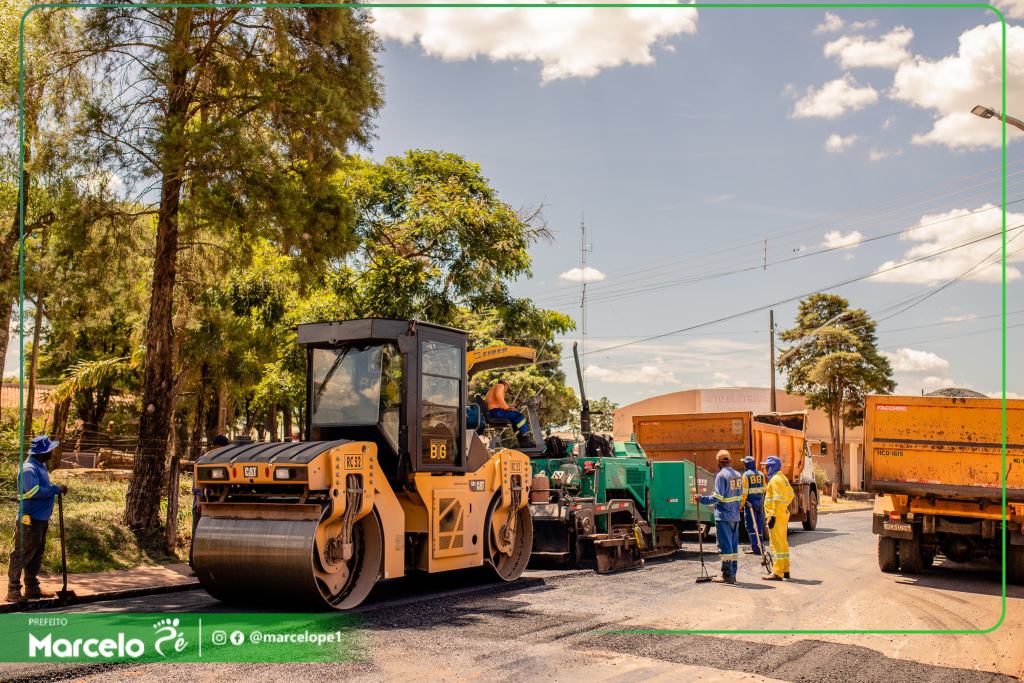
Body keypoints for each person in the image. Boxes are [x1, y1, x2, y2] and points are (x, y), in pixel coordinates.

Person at [7, 435, 68, 602]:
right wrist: (55, 489)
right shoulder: (29, 469)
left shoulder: (40, 466)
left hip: (40, 518)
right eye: (50, 449)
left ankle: (32, 588)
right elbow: (33, 491)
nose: (52, 452)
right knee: (22, 554)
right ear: (42, 452)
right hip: (29, 519)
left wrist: (54, 489)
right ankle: (13, 591)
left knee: (36, 554)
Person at [694, 449, 744, 584]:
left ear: (718, 462)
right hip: (735, 516)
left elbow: (718, 497)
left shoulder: (721, 476)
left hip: (723, 516)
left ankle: (727, 576)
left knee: (725, 547)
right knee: (733, 547)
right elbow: (740, 496)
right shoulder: (738, 475)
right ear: (730, 460)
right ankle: (733, 574)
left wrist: (702, 499)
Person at [190, 434, 230, 568]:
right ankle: (194, 564)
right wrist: (203, 498)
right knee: (197, 535)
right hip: (201, 505)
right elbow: (196, 487)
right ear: (216, 447)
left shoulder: (225, 461)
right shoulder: (202, 461)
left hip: (217, 505)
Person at [762, 455, 796, 581]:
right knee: (783, 543)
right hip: (782, 514)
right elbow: (791, 494)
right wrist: (783, 508)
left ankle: (777, 572)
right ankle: (785, 570)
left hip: (775, 516)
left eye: (766, 466)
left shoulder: (775, 480)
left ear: (771, 467)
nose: (765, 469)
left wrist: (773, 515)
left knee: (776, 544)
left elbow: (776, 499)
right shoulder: (783, 478)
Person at [485, 379, 531, 447]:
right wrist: (507, 408)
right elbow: (498, 397)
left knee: (514, 419)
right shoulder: (500, 385)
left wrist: (511, 406)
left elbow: (498, 403)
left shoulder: (495, 387)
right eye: (508, 387)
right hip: (496, 412)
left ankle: (522, 439)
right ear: (505, 384)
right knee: (519, 416)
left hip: (494, 412)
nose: (507, 389)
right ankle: (524, 437)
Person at [740, 455, 768, 556]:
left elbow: (744, 492)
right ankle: (761, 546)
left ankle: (755, 548)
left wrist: (741, 505)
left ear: (746, 464)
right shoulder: (761, 474)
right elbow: (765, 489)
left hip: (750, 504)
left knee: (751, 526)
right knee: (759, 524)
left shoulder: (746, 475)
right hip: (759, 503)